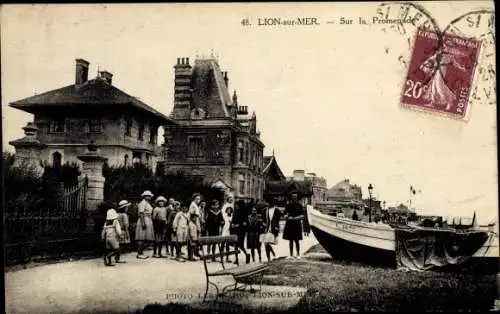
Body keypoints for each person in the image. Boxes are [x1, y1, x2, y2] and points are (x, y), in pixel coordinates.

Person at [283, 192, 306, 259]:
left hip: (297, 224)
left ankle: (298, 254)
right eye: (293, 197)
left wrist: (295, 218)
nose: (294, 198)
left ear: (297, 198)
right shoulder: (288, 205)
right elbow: (285, 214)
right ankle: (291, 254)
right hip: (290, 224)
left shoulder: (300, 205)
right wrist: (287, 216)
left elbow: (303, 216)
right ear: (291, 198)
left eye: (295, 197)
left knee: (297, 240)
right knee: (290, 240)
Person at [135, 190, 155, 259]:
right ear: (144, 196)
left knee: (144, 237)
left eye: (149, 196)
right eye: (147, 196)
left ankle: (141, 252)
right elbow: (141, 213)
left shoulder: (147, 203)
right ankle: (139, 253)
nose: (149, 197)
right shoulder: (143, 203)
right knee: (141, 236)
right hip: (144, 219)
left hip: (148, 219)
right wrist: (143, 223)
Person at [230, 200, 251, 264]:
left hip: (241, 231)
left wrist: (239, 225)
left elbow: (245, 223)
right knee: (236, 244)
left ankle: (247, 254)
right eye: (235, 205)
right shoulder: (235, 212)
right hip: (235, 230)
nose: (236, 206)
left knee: (240, 244)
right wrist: (232, 224)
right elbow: (233, 220)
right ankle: (236, 259)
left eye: (237, 205)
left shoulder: (244, 213)